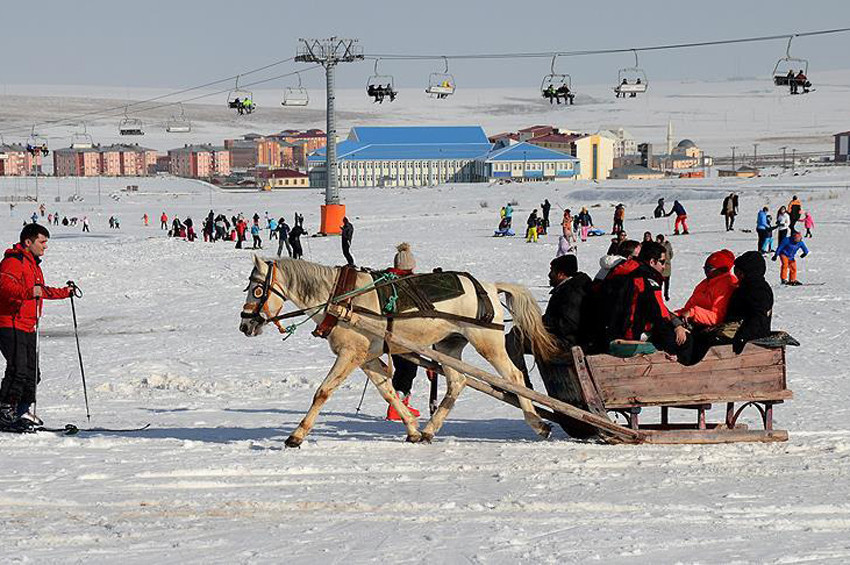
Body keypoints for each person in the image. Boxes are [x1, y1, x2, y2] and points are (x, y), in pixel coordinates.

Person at [0, 224, 74, 429]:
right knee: (18, 369)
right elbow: (5, 287)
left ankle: (21, 410)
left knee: (32, 372)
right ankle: (5, 411)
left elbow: (39, 290)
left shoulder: (33, 264)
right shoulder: (13, 261)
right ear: (28, 242)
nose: (45, 247)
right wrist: (29, 292)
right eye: (42, 242)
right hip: (10, 322)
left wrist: (64, 292)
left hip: (27, 325)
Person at [506, 254, 591, 385]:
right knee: (517, 332)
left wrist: (540, 325)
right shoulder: (569, 288)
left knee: (515, 338)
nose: (549, 275)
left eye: (552, 271)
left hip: (567, 343)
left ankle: (521, 384)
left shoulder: (572, 292)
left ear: (561, 274)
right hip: (564, 339)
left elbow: (568, 324)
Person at [599, 241, 691, 360]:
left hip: (608, 331)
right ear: (652, 262)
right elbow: (659, 314)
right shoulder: (645, 278)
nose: (664, 267)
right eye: (662, 262)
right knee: (685, 340)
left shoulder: (619, 270)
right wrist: (677, 328)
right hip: (629, 334)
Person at [385, 243, 421, 421]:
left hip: (390, 335)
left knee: (400, 370)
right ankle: (398, 407)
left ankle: (399, 406)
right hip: (408, 334)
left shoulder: (388, 283)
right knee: (409, 370)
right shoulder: (412, 285)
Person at [722, 251, 774, 353]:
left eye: (738, 272)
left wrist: (742, 337)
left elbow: (758, 318)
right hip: (736, 328)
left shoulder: (759, 290)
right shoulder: (744, 287)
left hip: (750, 334)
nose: (736, 275)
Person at [677, 250, 738, 329]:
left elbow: (717, 317)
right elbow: (688, 309)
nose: (705, 270)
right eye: (705, 267)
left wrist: (693, 313)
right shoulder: (705, 283)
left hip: (710, 330)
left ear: (720, 270)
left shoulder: (727, 285)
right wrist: (675, 314)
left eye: (709, 268)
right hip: (694, 323)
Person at [656, 234, 673, 301]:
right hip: (663, 266)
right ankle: (664, 295)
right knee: (663, 282)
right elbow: (671, 254)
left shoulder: (661, 246)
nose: (657, 240)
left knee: (664, 282)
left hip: (664, 266)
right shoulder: (667, 245)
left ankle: (665, 294)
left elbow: (671, 254)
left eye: (658, 239)